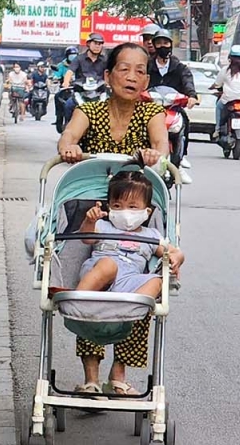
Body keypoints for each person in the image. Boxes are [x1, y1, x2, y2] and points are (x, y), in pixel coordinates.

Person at [56, 42, 169, 394]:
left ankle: (118, 375)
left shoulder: (152, 113)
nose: (131, 76)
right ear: (108, 75)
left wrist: (154, 155)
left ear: (146, 80)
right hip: (94, 214)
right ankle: (91, 377)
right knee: (91, 284)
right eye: (124, 69)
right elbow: (68, 136)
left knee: (143, 287)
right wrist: (69, 147)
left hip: (136, 215)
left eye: (140, 71)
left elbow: (162, 149)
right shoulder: (89, 110)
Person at [74, 171, 185, 305]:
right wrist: (90, 221)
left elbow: (173, 251)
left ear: (147, 212)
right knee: (108, 265)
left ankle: (129, 309)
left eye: (132, 207)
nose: (125, 211)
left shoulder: (150, 235)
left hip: (129, 281)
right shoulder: (102, 226)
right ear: (109, 208)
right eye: (117, 206)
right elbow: (86, 238)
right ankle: (76, 300)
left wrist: (177, 257)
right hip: (98, 274)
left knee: (157, 282)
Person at [146, 29, 197, 184]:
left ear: (171, 45)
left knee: (184, 121)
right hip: (149, 108)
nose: (163, 46)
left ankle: (179, 160)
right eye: (159, 43)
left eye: (166, 43)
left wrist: (192, 96)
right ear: (154, 45)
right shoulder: (147, 65)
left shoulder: (179, 67)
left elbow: (187, 81)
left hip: (172, 108)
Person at [211, 44, 240, 140]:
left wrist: (212, 87)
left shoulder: (225, 70)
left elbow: (217, 83)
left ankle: (217, 129)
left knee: (219, 106)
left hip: (228, 99)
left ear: (230, 58)